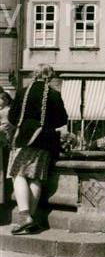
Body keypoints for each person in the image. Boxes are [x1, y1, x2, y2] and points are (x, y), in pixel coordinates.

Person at [7, 65, 68, 234]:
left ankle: (25, 216)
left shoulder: (22, 92)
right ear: (51, 77)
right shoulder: (54, 95)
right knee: (35, 178)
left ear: (35, 74)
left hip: (24, 138)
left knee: (18, 174)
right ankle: (30, 221)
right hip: (45, 140)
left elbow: (12, 117)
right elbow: (62, 119)